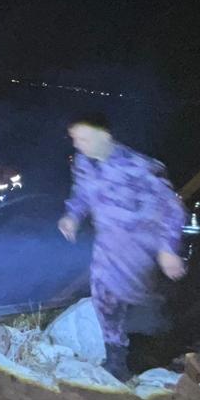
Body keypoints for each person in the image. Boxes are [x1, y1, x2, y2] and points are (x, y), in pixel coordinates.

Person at [58, 115, 187, 380]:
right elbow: (82, 193)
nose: (78, 145)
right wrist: (72, 216)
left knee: (144, 305)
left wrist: (168, 248)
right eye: (75, 139)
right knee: (105, 299)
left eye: (84, 138)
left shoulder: (140, 166)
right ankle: (116, 361)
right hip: (108, 242)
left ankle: (159, 355)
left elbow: (172, 209)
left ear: (104, 136)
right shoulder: (84, 163)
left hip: (142, 245)